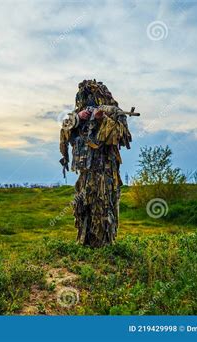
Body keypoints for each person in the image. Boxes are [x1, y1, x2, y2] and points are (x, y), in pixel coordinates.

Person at [59, 79, 134, 247]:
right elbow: (64, 131)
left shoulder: (114, 113)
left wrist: (102, 120)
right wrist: (79, 117)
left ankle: (103, 246)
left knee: (104, 206)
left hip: (105, 170)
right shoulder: (77, 115)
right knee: (83, 206)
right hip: (85, 174)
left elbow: (121, 136)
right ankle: (84, 243)